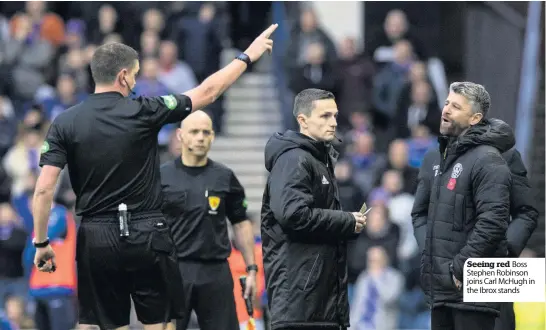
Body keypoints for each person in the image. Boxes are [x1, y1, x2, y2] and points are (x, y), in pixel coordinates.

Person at [31, 23, 278, 330]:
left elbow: (43, 190)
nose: (135, 82)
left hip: (96, 235)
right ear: (123, 75)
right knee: (158, 324)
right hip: (146, 232)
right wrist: (247, 56)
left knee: (104, 323)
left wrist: (41, 241)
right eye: (134, 75)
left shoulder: (64, 122)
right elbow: (208, 91)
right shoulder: (144, 109)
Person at [260, 88, 367, 330]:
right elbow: (293, 215)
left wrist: (349, 225)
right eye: (325, 116)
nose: (333, 123)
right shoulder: (294, 159)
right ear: (303, 120)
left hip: (318, 302)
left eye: (335, 116)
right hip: (299, 302)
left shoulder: (318, 160)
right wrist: (345, 220)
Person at [411, 81, 514, 330]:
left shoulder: (489, 159)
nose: (446, 110)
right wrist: (431, 258)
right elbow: (419, 214)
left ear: (475, 118)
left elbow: (493, 222)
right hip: (440, 290)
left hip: (474, 292)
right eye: (447, 103)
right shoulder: (433, 158)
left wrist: (458, 268)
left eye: (456, 107)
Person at [160, 111, 258, 330]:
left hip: (216, 272)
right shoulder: (161, 177)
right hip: (175, 270)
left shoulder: (225, 177)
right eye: (194, 132)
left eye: (206, 132)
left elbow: (241, 223)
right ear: (180, 135)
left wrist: (251, 268)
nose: (200, 137)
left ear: (213, 136)